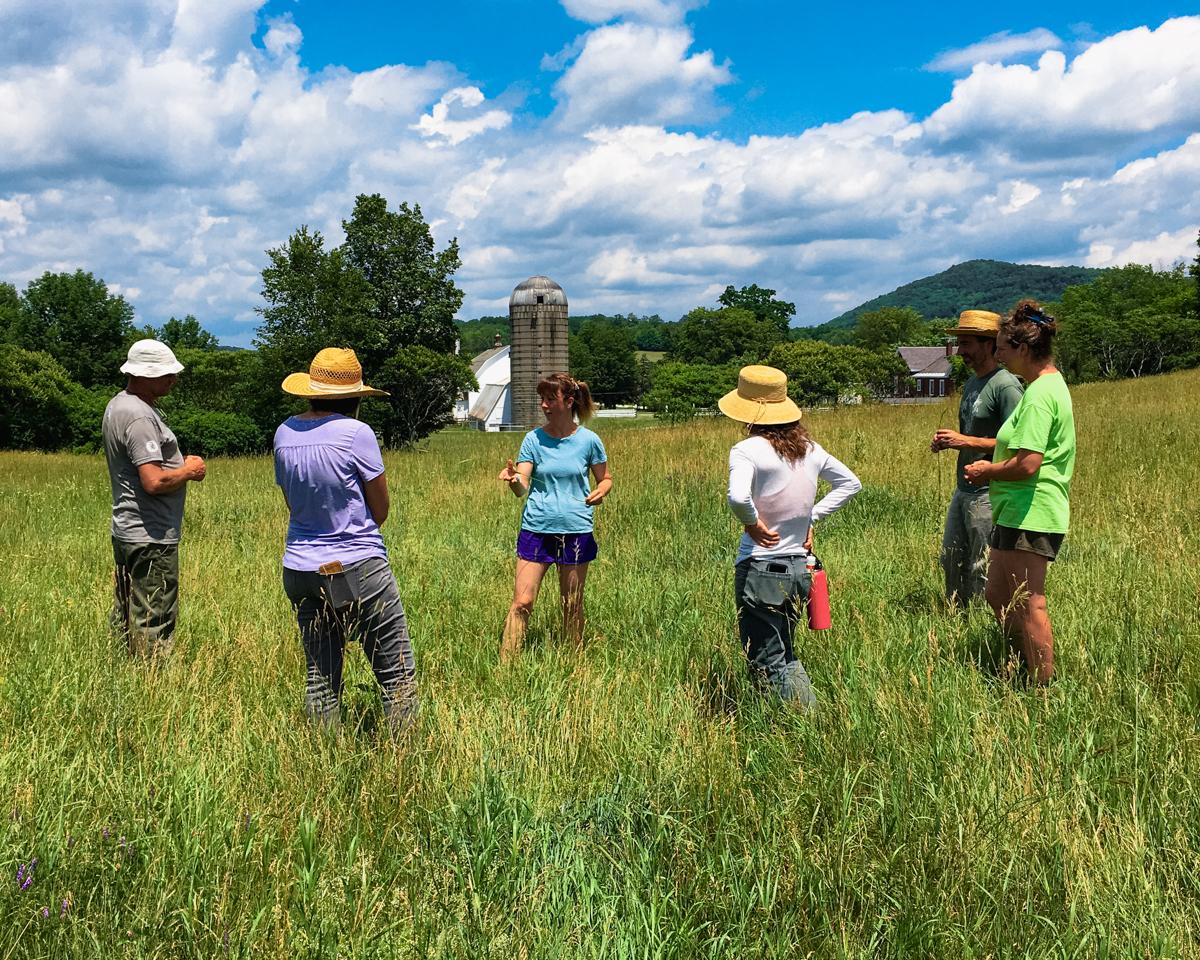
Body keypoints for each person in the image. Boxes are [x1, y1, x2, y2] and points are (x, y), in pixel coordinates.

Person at [273, 348, 417, 731]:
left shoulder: (284, 432)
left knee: (321, 678)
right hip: (356, 564)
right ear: (354, 397)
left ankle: (322, 760)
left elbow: (291, 502)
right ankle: (403, 760)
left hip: (299, 568)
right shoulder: (357, 433)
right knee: (396, 672)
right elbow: (380, 509)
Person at [719, 365, 861, 707]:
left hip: (761, 568)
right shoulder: (810, 448)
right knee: (784, 651)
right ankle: (801, 717)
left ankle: (801, 722)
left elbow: (737, 497)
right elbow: (850, 483)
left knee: (766, 660)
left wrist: (752, 523)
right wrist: (810, 515)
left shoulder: (746, 450)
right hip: (800, 567)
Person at [964, 301, 1075, 685]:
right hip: (1015, 509)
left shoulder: (1042, 393)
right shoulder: (1038, 388)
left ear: (1024, 349)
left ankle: (1041, 688)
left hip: (1033, 510)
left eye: (1003, 349)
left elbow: (1028, 463)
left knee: (1029, 602)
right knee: (998, 595)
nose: (998, 356)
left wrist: (986, 470)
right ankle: (1016, 665)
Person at [103, 339, 206, 657]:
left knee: (126, 612)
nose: (173, 379)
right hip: (151, 535)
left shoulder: (117, 405)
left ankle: (122, 671)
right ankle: (154, 685)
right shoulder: (140, 418)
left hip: (127, 529)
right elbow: (154, 480)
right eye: (166, 374)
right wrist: (189, 469)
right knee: (154, 617)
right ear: (143, 375)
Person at [498, 372, 612, 661]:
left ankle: (573, 665)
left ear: (569, 401)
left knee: (571, 604)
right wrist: (513, 480)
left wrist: (602, 490)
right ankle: (506, 666)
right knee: (522, 601)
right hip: (537, 528)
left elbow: (605, 478)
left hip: (576, 529)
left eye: (551, 399)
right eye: (542, 399)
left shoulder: (589, 441)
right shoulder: (533, 440)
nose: (544, 405)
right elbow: (522, 484)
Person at [931, 310, 1024, 605]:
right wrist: (951, 443)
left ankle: (981, 622)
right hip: (964, 488)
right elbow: (973, 435)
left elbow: (1020, 444)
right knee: (951, 558)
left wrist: (964, 440)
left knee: (980, 564)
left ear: (988, 344)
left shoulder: (1006, 385)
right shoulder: (972, 384)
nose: (961, 352)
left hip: (989, 490)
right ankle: (955, 618)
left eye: (967, 344)